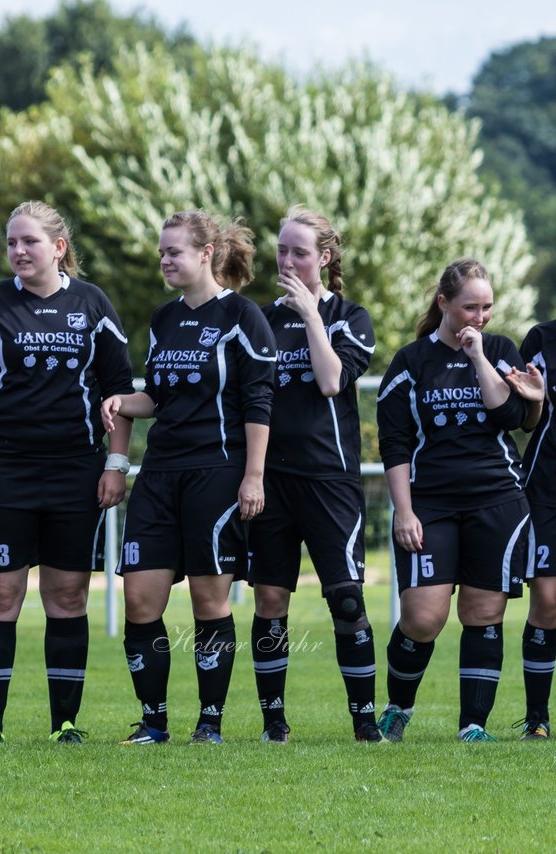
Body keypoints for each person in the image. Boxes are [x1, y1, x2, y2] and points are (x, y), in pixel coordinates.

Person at [0, 200, 134, 746]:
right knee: (1, 595)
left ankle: (66, 725)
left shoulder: (92, 304)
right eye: (11, 242)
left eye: (28, 241)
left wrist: (116, 465)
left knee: (68, 596)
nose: (18, 252)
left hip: (75, 472)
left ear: (58, 247)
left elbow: (118, 393)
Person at [102, 210, 275, 746]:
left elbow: (258, 401)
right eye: (161, 252)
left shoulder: (243, 317)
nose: (165, 260)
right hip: (158, 475)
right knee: (140, 600)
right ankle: (153, 722)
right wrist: (119, 401)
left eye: (174, 251)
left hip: (217, 475)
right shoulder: (162, 319)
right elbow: (155, 398)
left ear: (206, 253)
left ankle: (210, 722)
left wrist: (253, 476)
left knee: (208, 602)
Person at [375, 258, 531, 742]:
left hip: (498, 501)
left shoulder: (501, 351)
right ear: (443, 303)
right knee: (422, 618)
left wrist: (479, 356)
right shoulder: (409, 363)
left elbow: (509, 416)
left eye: (486, 307)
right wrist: (404, 511)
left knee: (483, 614)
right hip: (430, 505)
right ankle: (397, 709)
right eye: (469, 308)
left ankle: (473, 727)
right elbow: (395, 445)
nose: (479, 317)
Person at [247, 207, 381, 743]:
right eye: (281, 250)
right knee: (270, 601)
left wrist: (311, 316)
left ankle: (365, 724)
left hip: (330, 481)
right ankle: (274, 723)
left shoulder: (352, 316)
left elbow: (330, 382)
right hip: (270, 481)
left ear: (324, 258)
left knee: (346, 600)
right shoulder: (258, 319)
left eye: (299, 251)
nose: (287, 260)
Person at [506, 320, 556, 739]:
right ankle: (537, 718)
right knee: (548, 602)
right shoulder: (542, 339)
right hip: (547, 488)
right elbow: (527, 415)